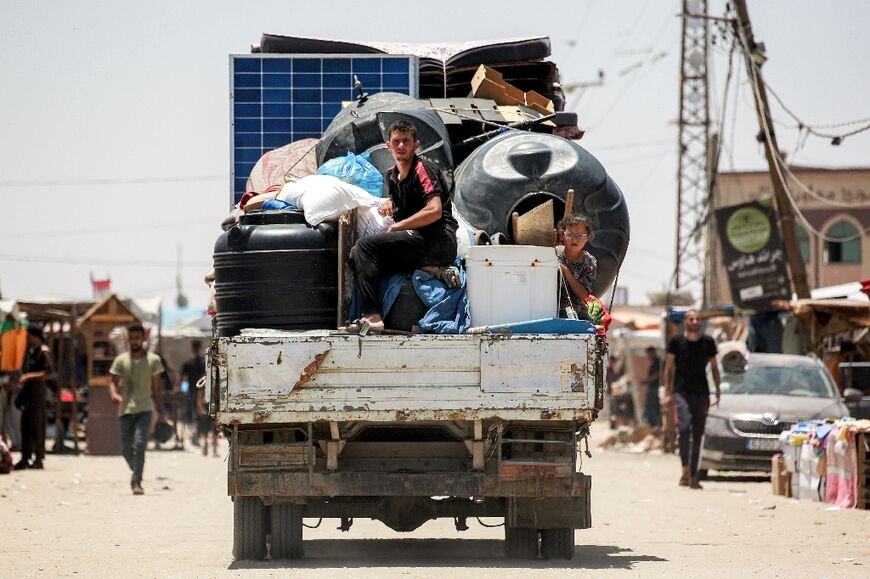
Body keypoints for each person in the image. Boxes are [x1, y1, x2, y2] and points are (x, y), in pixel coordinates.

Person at [345, 120, 459, 334]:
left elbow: (434, 210)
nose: (400, 146)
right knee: (357, 257)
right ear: (388, 145)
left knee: (365, 247)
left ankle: (373, 317)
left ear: (416, 145)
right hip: (416, 243)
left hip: (437, 239)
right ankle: (431, 270)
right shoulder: (391, 175)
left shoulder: (423, 169)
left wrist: (398, 227)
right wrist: (391, 204)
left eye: (406, 141)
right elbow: (403, 206)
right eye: (396, 141)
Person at [663, 310, 721, 490]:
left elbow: (714, 368)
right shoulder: (676, 342)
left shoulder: (708, 342)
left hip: (702, 393)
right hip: (682, 392)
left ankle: (694, 476)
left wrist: (718, 390)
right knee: (684, 427)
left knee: (698, 434)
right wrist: (667, 393)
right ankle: (685, 470)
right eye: (691, 318)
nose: (695, 321)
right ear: (685, 322)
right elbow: (668, 369)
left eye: (697, 319)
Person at [108, 323, 165, 495]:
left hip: (145, 407)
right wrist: (113, 393)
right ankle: (136, 471)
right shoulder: (120, 360)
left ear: (143, 338)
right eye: (131, 338)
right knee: (126, 448)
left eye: (137, 338)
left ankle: (136, 481)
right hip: (125, 408)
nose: (134, 341)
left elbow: (157, 387)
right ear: (127, 339)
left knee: (140, 444)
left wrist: (160, 410)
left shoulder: (153, 360)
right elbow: (112, 380)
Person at [13, 326, 53, 470]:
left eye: (28, 336)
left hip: (37, 395)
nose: (26, 338)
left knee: (37, 427)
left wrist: (29, 377)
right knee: (26, 426)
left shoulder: (43, 351)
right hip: (28, 394)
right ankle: (25, 458)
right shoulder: (30, 352)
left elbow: (49, 373)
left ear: (35, 337)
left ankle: (38, 459)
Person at [555, 214, 597, 320]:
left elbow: (583, 295)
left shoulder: (589, 262)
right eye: (570, 235)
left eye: (580, 236)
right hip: (549, 310)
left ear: (587, 237)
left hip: (577, 312)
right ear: (563, 235)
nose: (574, 240)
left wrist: (566, 271)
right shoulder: (553, 253)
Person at [643, 346, 662, 428]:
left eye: (649, 354)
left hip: (655, 388)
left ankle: (656, 425)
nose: (648, 356)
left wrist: (648, 380)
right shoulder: (655, 362)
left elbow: (657, 374)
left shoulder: (658, 362)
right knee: (650, 408)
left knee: (652, 407)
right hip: (653, 388)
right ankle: (654, 426)